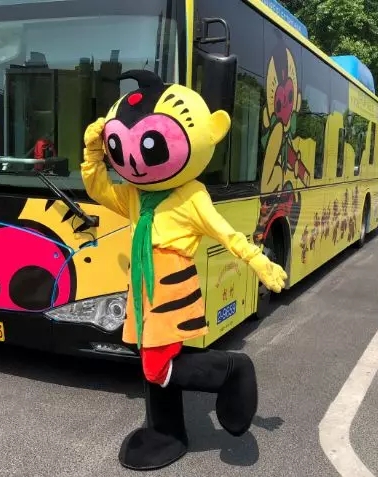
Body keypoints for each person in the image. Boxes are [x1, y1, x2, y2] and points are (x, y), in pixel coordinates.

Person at [81, 70, 287, 471]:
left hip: (171, 288)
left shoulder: (191, 196)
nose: (134, 159)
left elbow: (226, 233)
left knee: (157, 365)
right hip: (142, 289)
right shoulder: (136, 194)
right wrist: (93, 154)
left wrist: (259, 261)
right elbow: (97, 188)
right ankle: (167, 431)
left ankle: (232, 370)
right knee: (150, 357)